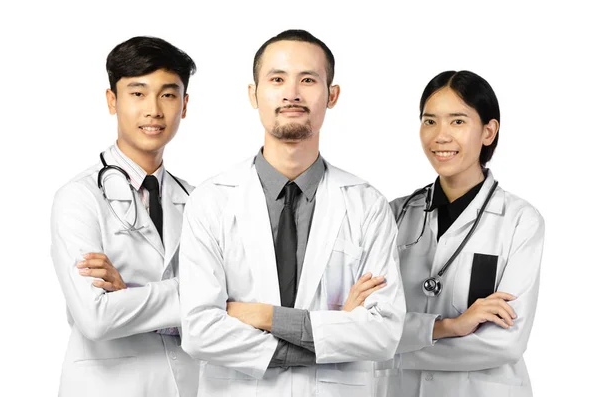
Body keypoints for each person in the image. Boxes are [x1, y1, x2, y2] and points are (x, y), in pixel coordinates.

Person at [178, 29, 406, 396]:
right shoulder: (210, 201)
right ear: (253, 94)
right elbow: (199, 332)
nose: (292, 93)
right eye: (277, 79)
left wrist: (264, 317)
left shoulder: (367, 205)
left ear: (332, 95)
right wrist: (330, 332)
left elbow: (383, 334)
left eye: (308, 80)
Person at [50, 36, 200, 397]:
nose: (154, 110)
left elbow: (223, 313)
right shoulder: (79, 198)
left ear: (184, 105)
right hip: (109, 387)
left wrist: (129, 293)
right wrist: (198, 296)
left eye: (168, 94)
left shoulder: (197, 201)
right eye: (138, 93)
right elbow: (97, 318)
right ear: (112, 101)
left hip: (188, 385)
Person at [389, 70, 544, 397]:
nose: (440, 136)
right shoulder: (393, 214)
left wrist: (391, 350)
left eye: (457, 122)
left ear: (489, 131)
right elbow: (361, 322)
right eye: (430, 121)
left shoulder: (519, 221)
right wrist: (450, 328)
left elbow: (505, 344)